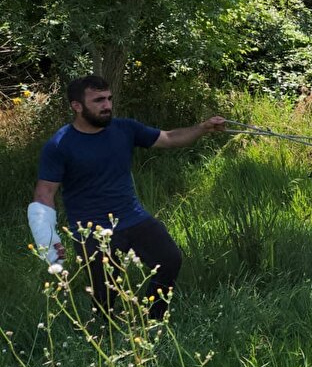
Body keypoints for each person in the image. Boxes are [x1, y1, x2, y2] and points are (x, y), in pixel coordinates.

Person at [30, 75, 225, 320]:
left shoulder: (125, 129)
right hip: (92, 229)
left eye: (109, 99)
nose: (107, 105)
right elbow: (44, 192)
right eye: (99, 100)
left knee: (169, 260)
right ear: (76, 106)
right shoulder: (60, 145)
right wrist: (47, 238)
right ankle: (105, 337)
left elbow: (169, 138)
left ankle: (152, 321)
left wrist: (203, 128)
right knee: (104, 299)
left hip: (132, 217)